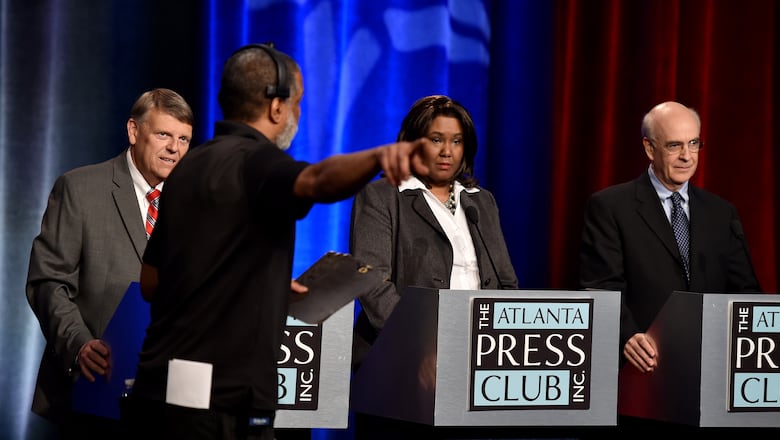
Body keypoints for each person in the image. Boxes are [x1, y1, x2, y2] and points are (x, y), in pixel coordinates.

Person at [122, 43, 428, 440]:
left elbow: (152, 282)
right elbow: (316, 180)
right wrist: (379, 157)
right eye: (298, 102)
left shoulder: (187, 168)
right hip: (222, 409)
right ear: (276, 107)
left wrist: (253, 285)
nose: (298, 113)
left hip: (160, 395)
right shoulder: (260, 163)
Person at [578, 101, 761, 431]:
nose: (687, 156)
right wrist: (627, 335)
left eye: (694, 144)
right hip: (642, 381)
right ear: (649, 147)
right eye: (675, 145)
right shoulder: (611, 207)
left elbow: (745, 292)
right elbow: (601, 287)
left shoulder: (722, 213)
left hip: (710, 381)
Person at [25, 88, 194, 439]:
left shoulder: (196, 203)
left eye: (183, 139)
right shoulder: (80, 188)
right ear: (134, 131)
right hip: (93, 391)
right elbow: (49, 282)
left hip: (170, 401)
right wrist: (79, 345)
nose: (174, 149)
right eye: (164, 134)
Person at [348, 95, 519, 439]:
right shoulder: (384, 195)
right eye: (436, 140)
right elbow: (372, 281)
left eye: (456, 141)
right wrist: (423, 346)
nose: (447, 152)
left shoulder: (481, 201)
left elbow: (506, 283)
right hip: (402, 368)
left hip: (476, 365)